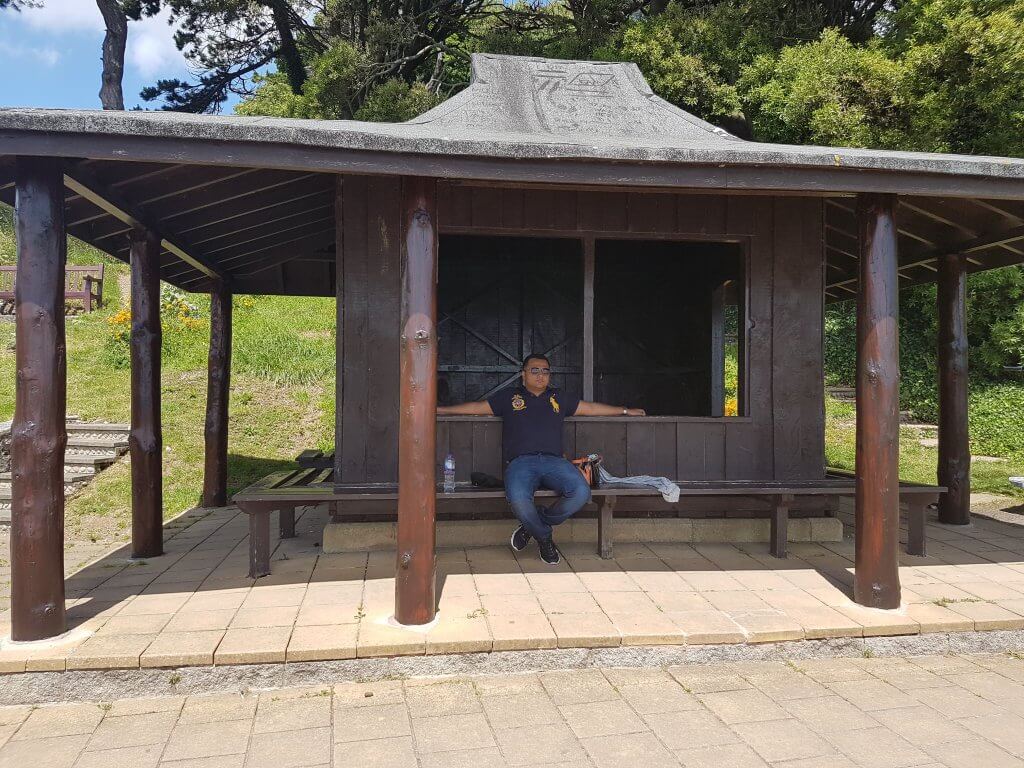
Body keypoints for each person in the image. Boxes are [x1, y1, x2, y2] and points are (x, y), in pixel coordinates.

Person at [437, 354, 645, 564]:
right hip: (521, 463)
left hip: (554, 462)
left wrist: (625, 410)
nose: (540, 375)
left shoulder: (559, 397)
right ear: (523, 374)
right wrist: (440, 410)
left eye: (545, 371)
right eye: (534, 370)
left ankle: (532, 525)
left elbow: (590, 408)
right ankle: (544, 538)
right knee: (519, 501)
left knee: (581, 492)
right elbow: (476, 408)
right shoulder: (509, 397)